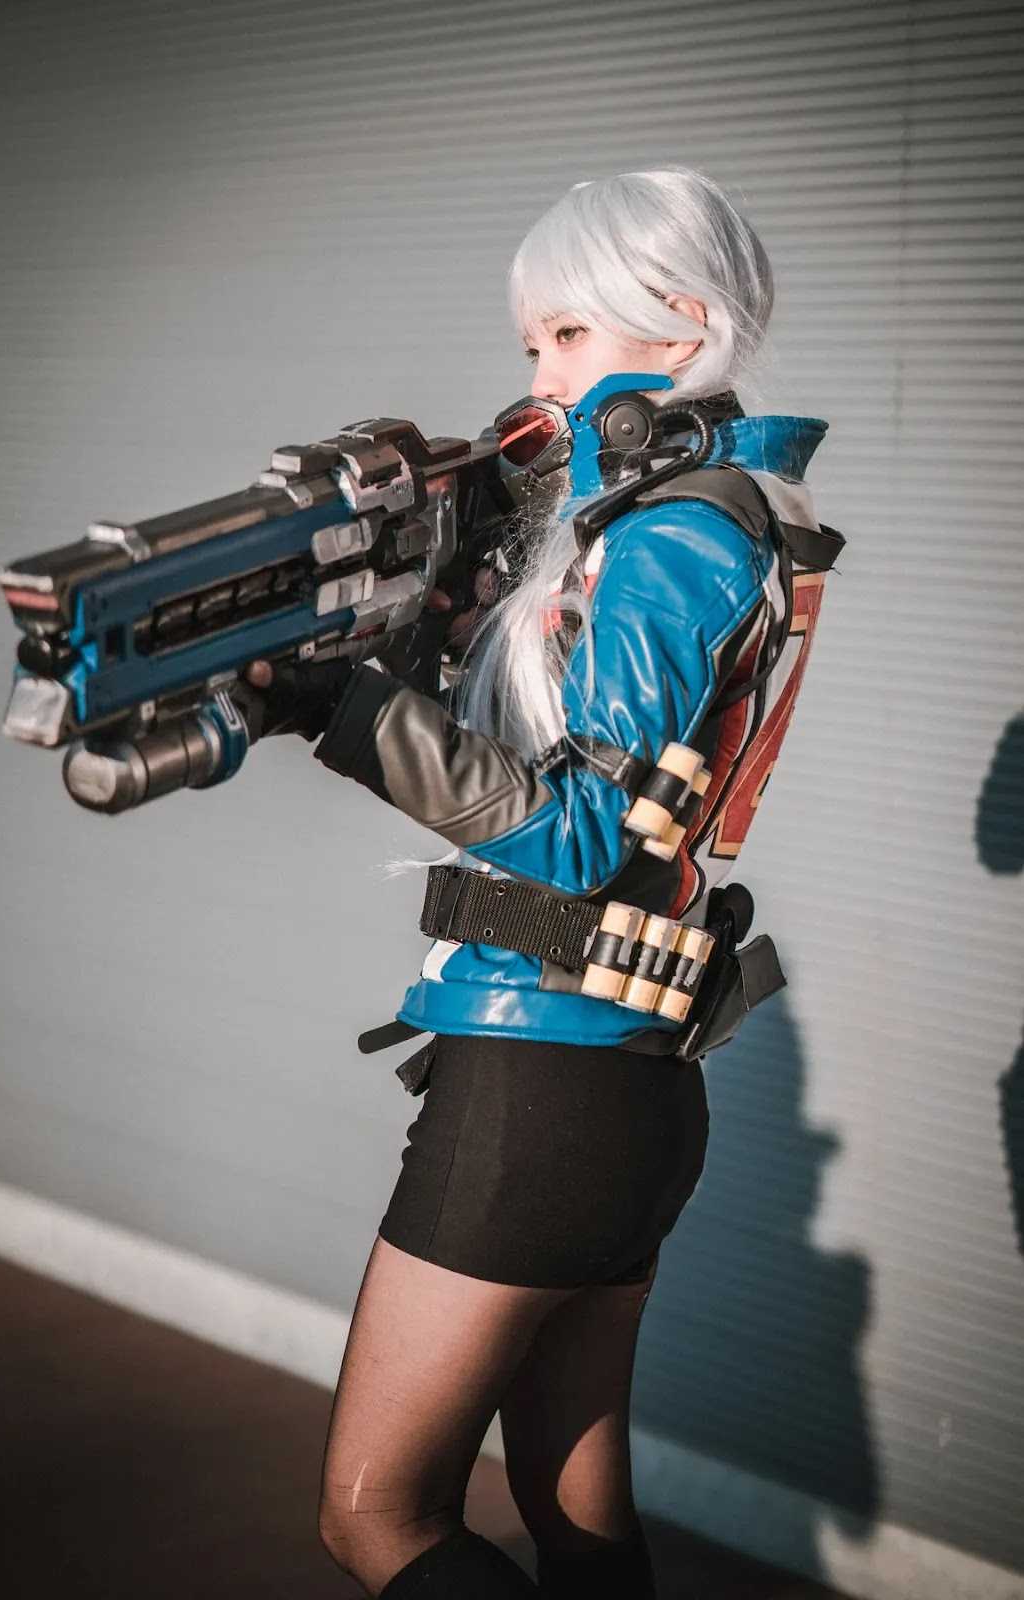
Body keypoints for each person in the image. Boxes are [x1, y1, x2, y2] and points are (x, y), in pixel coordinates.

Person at [241, 166, 838, 1598]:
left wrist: (337, 711)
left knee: (379, 1518)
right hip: (622, 1086)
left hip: (542, 1082)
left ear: (680, 323)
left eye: (568, 335)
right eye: (533, 342)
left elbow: (580, 840)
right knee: (574, 1521)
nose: (543, 377)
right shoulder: (707, 518)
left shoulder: (675, 533)